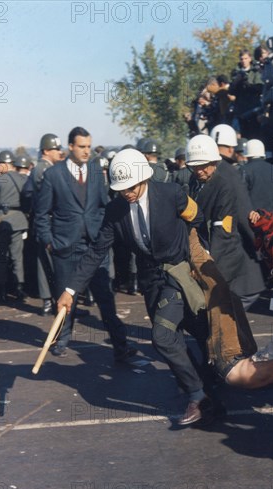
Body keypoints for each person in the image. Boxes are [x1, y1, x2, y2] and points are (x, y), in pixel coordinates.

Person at [57, 148, 219, 425]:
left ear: (143, 179)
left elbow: (198, 220)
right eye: (121, 189)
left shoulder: (172, 194)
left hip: (179, 275)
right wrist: (70, 290)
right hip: (150, 281)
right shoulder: (116, 209)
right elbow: (97, 251)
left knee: (164, 335)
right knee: (177, 335)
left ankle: (198, 395)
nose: (126, 193)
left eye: (130, 187)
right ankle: (206, 388)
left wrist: (198, 256)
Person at [36, 127, 132, 362]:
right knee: (64, 299)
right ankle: (62, 339)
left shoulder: (97, 172)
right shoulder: (53, 175)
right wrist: (49, 242)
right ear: (70, 147)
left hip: (94, 247)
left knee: (106, 299)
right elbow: (40, 214)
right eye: (82, 147)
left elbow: (103, 205)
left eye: (89, 146)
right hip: (64, 247)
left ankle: (121, 345)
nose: (86, 151)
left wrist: (104, 235)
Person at [187, 134, 265, 311]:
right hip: (211, 252)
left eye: (204, 165)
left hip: (224, 255)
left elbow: (227, 227)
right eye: (194, 166)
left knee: (228, 312)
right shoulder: (197, 179)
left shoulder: (224, 182)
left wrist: (258, 246)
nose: (199, 170)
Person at [22, 133, 65, 315]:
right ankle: (55, 302)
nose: (59, 152)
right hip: (50, 222)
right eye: (56, 149)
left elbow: (27, 193)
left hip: (43, 222)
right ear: (46, 150)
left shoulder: (39, 168)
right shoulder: (44, 169)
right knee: (54, 264)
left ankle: (49, 301)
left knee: (45, 263)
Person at [0, 150, 28, 302]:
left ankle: (2, 291)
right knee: (17, 257)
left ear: (6, 165)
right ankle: (19, 288)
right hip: (19, 220)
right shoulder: (22, 179)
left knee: (1, 257)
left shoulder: (1, 180)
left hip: (3, 221)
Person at [241, 139, 273, 213]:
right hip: (269, 219)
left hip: (250, 218)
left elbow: (241, 196)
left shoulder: (243, 170)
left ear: (247, 155)